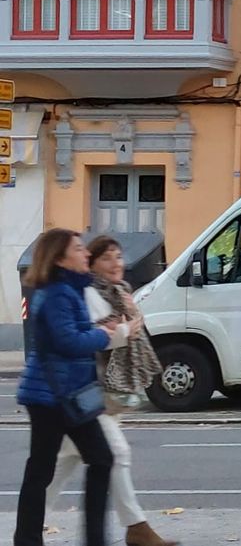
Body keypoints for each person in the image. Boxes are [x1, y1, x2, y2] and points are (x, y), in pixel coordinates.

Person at [44, 237, 174, 546]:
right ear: (91, 264)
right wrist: (123, 331)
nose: (116, 263)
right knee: (116, 453)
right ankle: (137, 528)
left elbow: (125, 338)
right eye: (107, 258)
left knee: (59, 467)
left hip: (100, 395)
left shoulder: (120, 294)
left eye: (118, 256)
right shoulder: (87, 294)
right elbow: (87, 341)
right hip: (87, 393)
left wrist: (128, 322)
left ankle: (29, 529)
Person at [14, 229, 132, 546]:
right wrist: (108, 335)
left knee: (98, 459)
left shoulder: (70, 290)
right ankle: (29, 539)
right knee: (43, 469)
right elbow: (68, 342)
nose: (85, 254)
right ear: (60, 257)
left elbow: (74, 332)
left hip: (70, 393)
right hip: (51, 396)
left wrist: (101, 329)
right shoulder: (56, 293)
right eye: (79, 249)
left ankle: (91, 538)